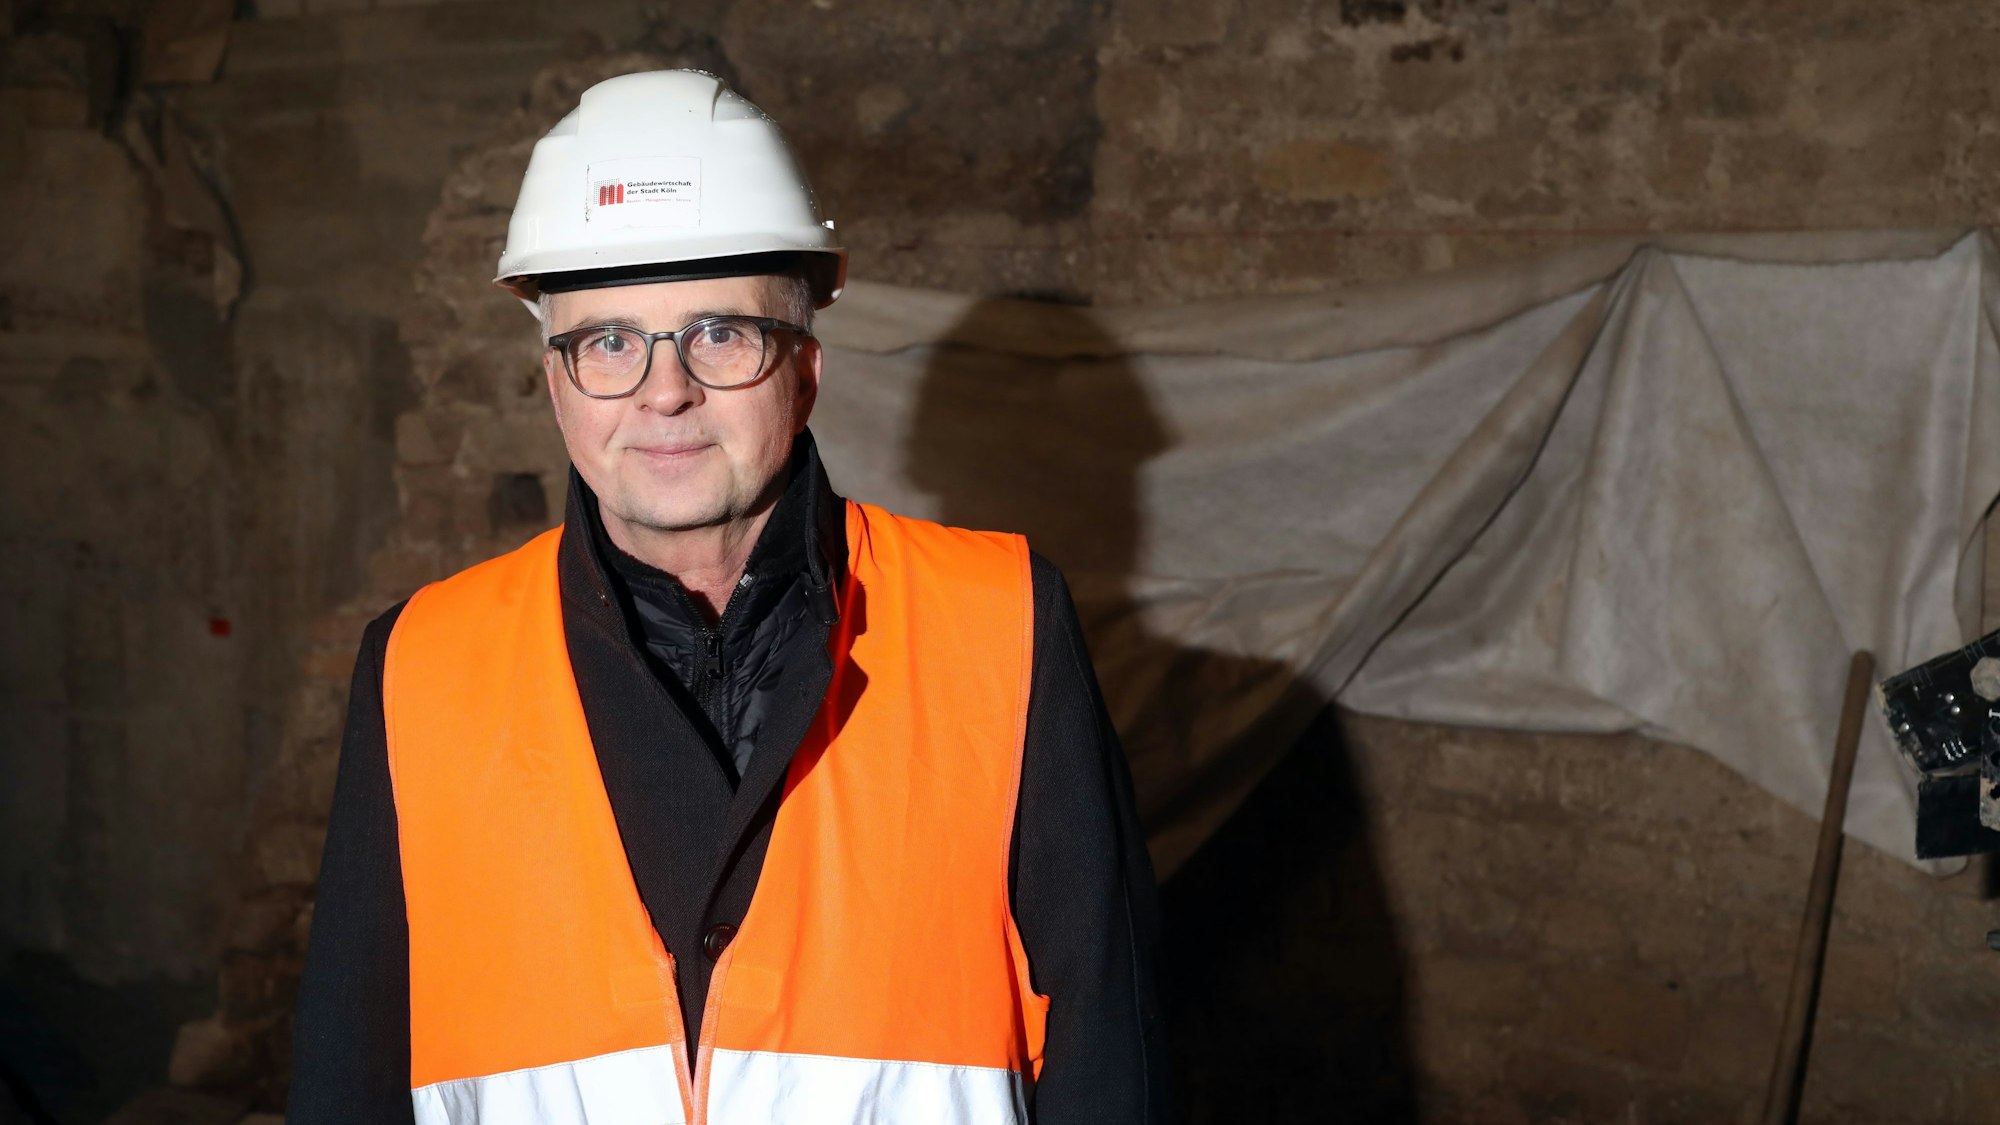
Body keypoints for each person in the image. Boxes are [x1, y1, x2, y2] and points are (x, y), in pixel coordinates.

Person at [287, 69, 1167, 1124]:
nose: (665, 390)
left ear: (804, 364)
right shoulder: (421, 665)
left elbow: (1110, 1060)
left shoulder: (1003, 624)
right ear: (554, 379)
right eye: (608, 340)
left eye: (719, 333)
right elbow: (351, 1078)